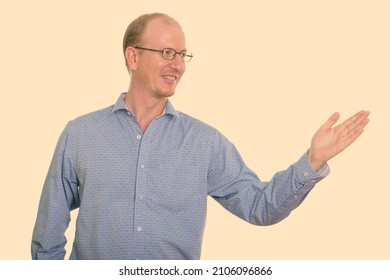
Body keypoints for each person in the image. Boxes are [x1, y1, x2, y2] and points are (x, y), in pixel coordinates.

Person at [31, 13, 370, 260]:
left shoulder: (205, 143)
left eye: (181, 55)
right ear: (132, 56)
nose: (176, 64)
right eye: (166, 52)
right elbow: (47, 235)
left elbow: (258, 206)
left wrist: (312, 161)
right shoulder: (80, 134)